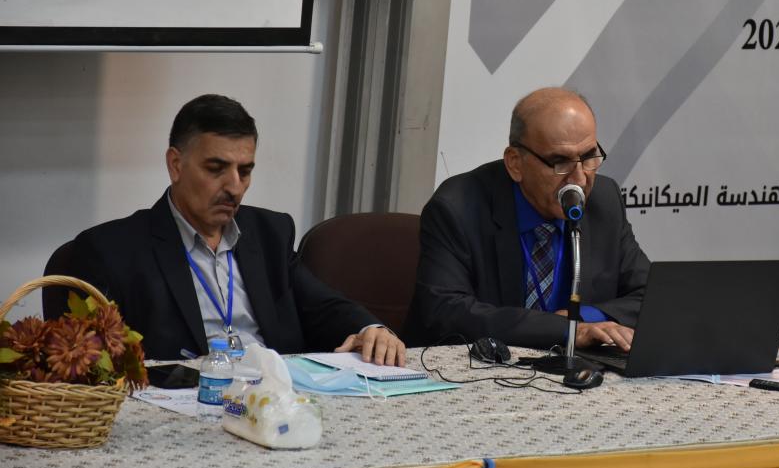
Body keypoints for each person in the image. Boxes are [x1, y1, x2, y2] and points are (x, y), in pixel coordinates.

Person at [61, 94, 406, 365]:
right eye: (217, 168)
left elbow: (323, 306)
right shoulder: (113, 251)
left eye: (245, 171)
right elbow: (92, 365)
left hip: (271, 402)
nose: (235, 187)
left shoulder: (269, 233)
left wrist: (370, 328)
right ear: (176, 165)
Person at [406, 87, 651, 350]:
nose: (579, 179)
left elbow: (650, 297)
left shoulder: (604, 201)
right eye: (560, 162)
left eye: (589, 156)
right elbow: (446, 311)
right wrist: (564, 330)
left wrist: (582, 318)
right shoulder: (457, 208)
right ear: (515, 163)